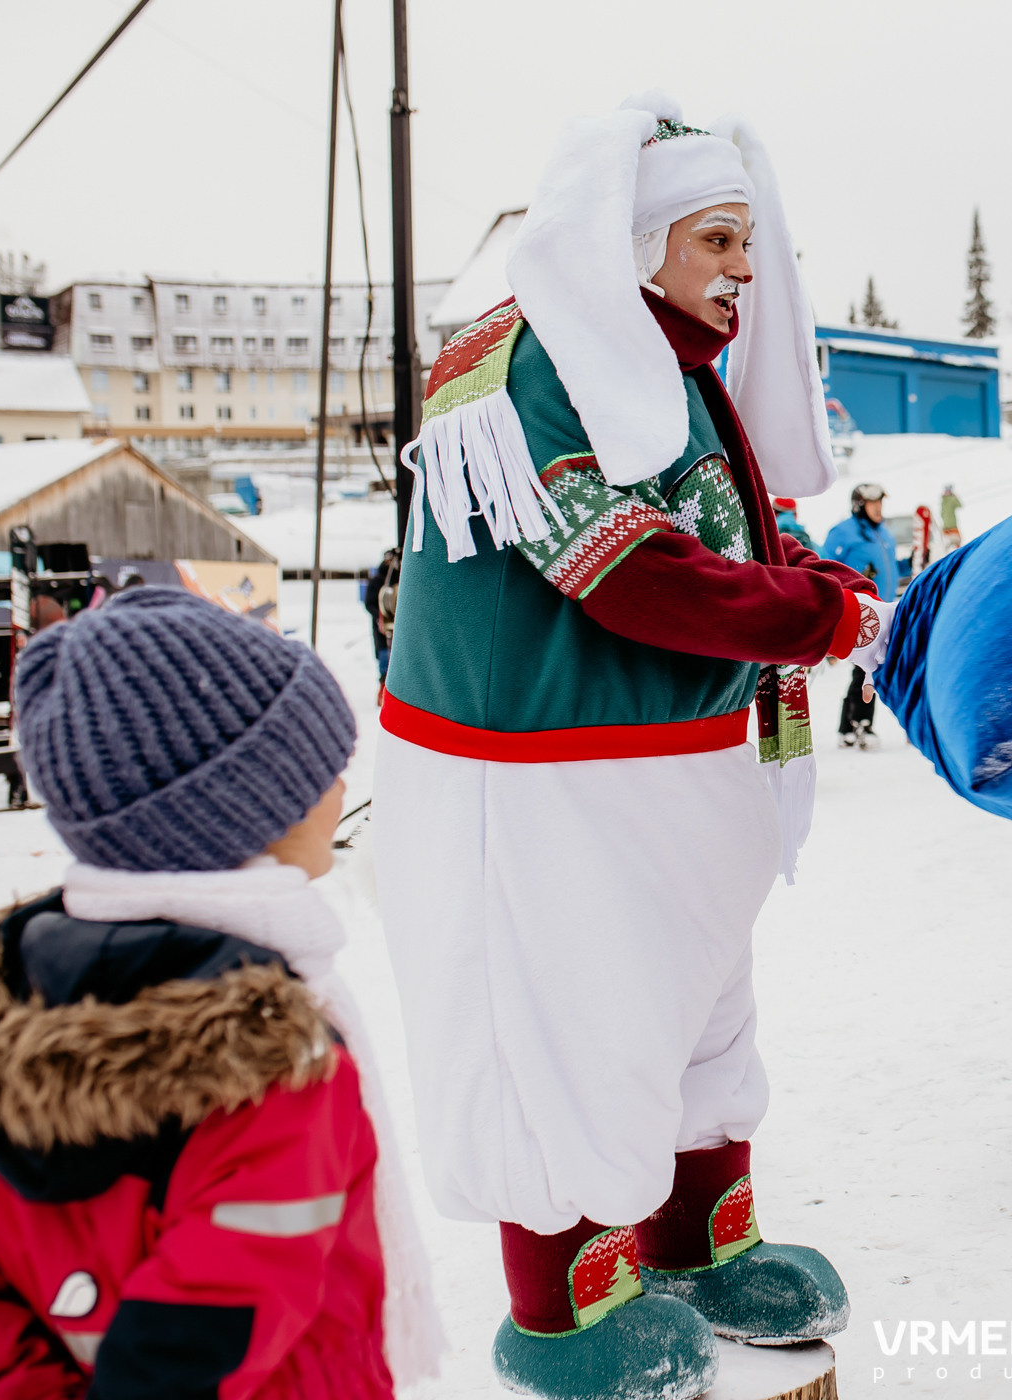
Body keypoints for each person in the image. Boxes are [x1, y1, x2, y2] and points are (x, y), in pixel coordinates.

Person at [374, 92, 884, 1398]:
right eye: (719, 239)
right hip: (547, 779)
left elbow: (724, 547)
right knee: (571, 1020)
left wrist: (809, 584)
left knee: (699, 1009)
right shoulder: (537, 360)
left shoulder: (672, 369)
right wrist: (818, 611)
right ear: (635, 234)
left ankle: (700, 1238)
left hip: (682, 758)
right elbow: (627, 572)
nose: (744, 270)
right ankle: (564, 1306)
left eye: (747, 240)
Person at [0, 586, 444, 1394]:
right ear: (237, 813)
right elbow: (203, 1333)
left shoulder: (13, 1005)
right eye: (318, 765)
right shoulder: (270, 1059)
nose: (343, 779)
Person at [823, 481, 898, 749]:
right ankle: (861, 724)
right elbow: (823, 564)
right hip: (856, 614)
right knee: (867, 670)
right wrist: (853, 581)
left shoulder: (884, 534)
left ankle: (848, 727)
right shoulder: (843, 532)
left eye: (880, 503)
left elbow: (892, 567)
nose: (878, 508)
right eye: (872, 504)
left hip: (882, 611)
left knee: (861, 672)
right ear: (859, 506)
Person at [363, 544, 402, 705]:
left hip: (397, 630)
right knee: (385, 662)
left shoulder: (400, 580)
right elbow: (369, 603)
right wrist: (379, 616)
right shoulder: (378, 581)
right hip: (382, 630)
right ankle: (383, 692)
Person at [938, 483, 962, 553]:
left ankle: (958, 553)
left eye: (948, 491)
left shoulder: (948, 500)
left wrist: (955, 497)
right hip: (948, 526)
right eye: (946, 491)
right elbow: (941, 513)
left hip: (950, 525)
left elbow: (959, 505)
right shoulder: (944, 500)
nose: (947, 492)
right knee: (948, 543)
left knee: (955, 542)